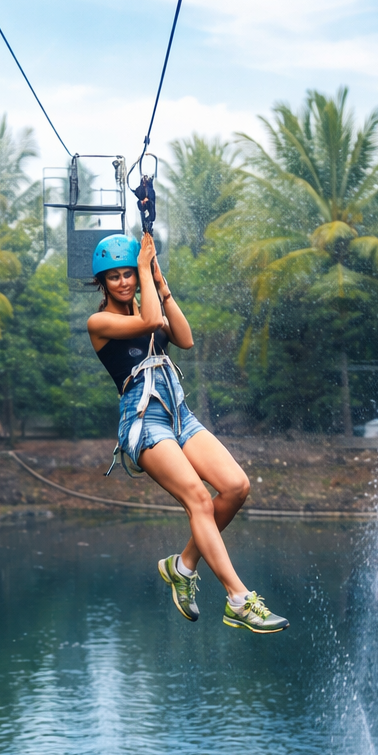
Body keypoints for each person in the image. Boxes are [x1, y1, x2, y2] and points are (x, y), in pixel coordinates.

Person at [87, 232, 287, 633]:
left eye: (129, 274)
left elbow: (185, 338)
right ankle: (238, 599)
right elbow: (147, 322)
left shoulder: (150, 305)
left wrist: (161, 284)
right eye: (115, 277)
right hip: (143, 420)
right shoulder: (101, 323)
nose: (125, 282)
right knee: (198, 497)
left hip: (179, 414)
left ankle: (183, 566)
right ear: (102, 283)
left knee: (235, 486)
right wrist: (144, 267)